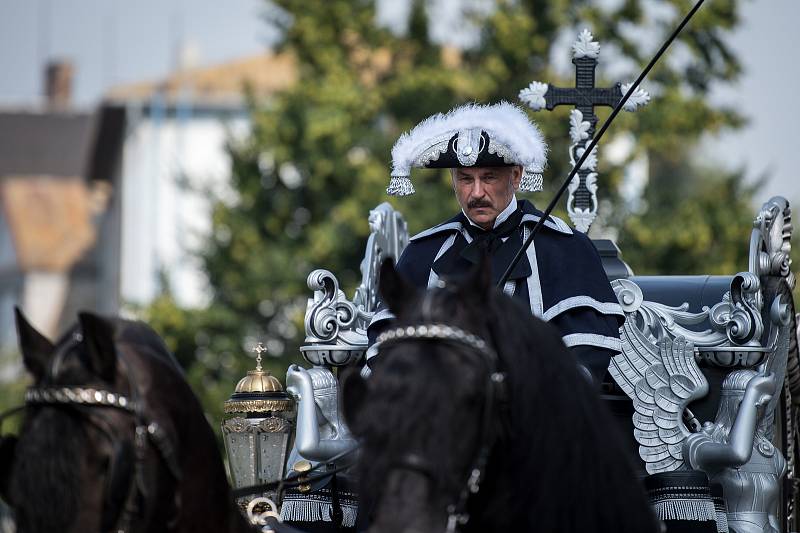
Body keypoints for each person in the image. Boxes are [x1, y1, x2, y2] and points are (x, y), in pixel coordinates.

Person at [366, 102, 624, 384]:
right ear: (453, 180)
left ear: (516, 175)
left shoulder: (565, 249)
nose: (477, 192)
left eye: (488, 177)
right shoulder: (422, 253)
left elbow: (585, 359)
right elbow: (387, 346)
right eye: (466, 179)